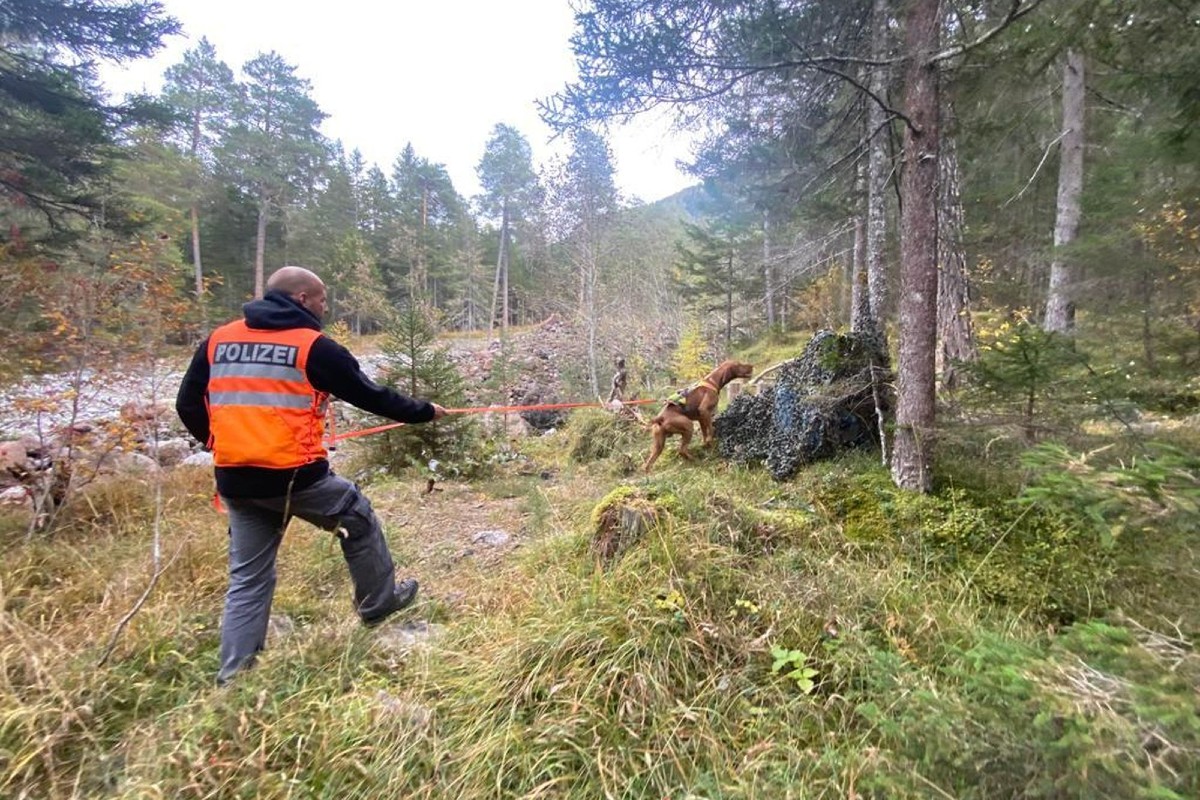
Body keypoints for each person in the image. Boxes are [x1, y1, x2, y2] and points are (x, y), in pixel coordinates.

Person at [175, 266, 447, 685]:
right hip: (296, 478)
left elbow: (187, 404)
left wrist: (218, 443)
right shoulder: (313, 347)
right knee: (357, 517)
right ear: (301, 299)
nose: (325, 306)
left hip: (236, 480)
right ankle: (379, 604)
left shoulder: (219, 340)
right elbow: (370, 395)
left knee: (248, 576)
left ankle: (234, 677)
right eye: (321, 299)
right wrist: (424, 412)